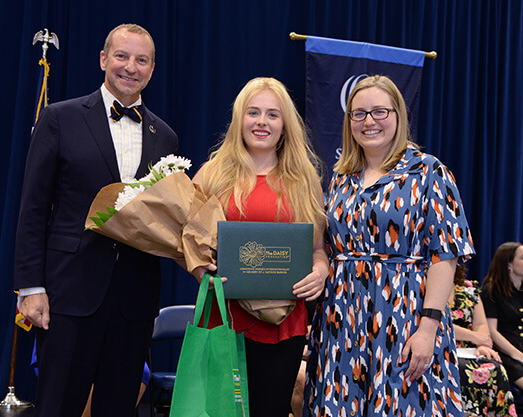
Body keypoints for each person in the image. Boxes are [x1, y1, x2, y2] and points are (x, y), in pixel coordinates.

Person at [14, 24, 178, 417]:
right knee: (58, 406)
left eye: (141, 60)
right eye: (122, 56)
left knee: (118, 407)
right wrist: (30, 286)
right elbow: (33, 207)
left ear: (152, 69)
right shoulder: (60, 118)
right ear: (103, 59)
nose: (130, 67)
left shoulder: (166, 137)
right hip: (69, 293)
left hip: (134, 299)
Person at [304, 75, 475, 416]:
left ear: (399, 115)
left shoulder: (428, 172)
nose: (369, 121)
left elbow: (446, 255)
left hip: (405, 318)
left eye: (379, 111)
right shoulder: (341, 178)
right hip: (343, 320)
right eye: (359, 114)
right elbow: (325, 245)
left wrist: (428, 329)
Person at [192, 77, 329, 416]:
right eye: (253, 112)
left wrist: (321, 270)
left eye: (272, 114)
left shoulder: (305, 179)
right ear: (240, 119)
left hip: (283, 324)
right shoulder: (211, 174)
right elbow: (189, 240)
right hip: (224, 317)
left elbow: (318, 249)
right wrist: (196, 266)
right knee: (221, 411)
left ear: (285, 126)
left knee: (270, 409)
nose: (262, 122)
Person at [449, 265, 516, 417]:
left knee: (496, 368)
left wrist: (482, 345)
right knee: (462, 368)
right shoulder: (425, 287)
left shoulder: (470, 289)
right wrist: (474, 337)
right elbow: (441, 325)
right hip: (442, 345)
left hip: (469, 348)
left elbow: (481, 325)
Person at [481, 242, 523, 390]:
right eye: (522, 258)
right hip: (507, 353)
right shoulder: (491, 291)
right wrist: (518, 355)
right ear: (508, 265)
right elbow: (492, 332)